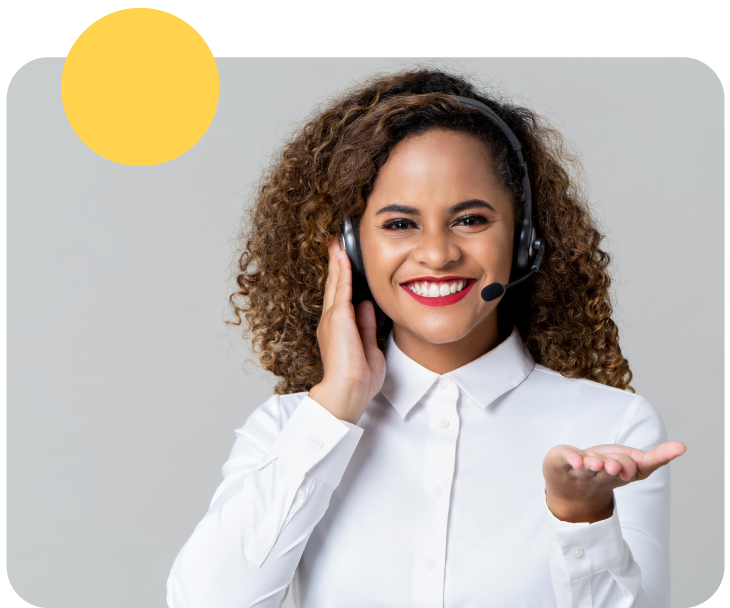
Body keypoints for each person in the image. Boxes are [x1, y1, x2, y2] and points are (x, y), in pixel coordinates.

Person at [166, 69, 686, 607]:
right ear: (351, 247)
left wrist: (582, 517)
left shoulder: (613, 429)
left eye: (470, 219)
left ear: (525, 240)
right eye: (399, 224)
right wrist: (335, 408)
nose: (437, 254)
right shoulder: (287, 431)